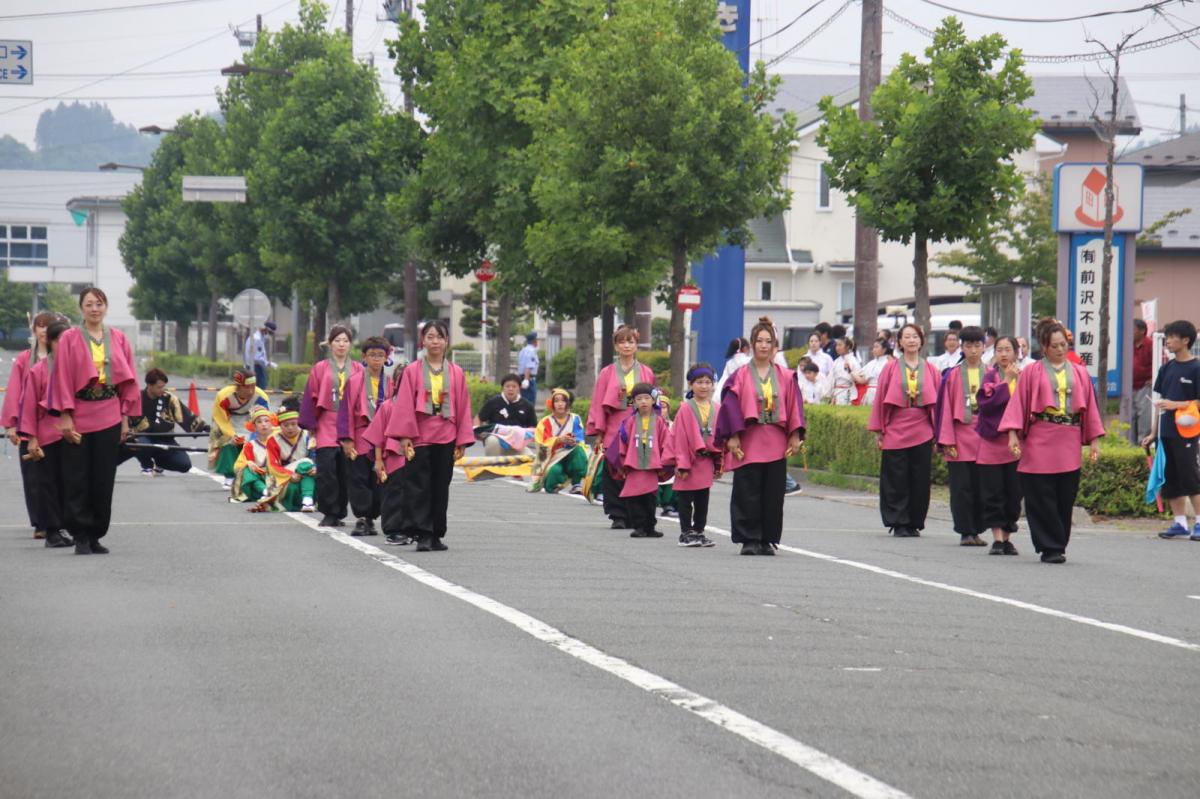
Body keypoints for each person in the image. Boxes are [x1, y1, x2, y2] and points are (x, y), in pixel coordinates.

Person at [1001, 318, 1103, 564]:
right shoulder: (1032, 372)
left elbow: (1090, 408)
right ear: (1044, 347)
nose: (1060, 349)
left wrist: (1095, 440)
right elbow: (1018, 405)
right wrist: (1013, 435)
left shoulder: (1079, 372)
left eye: (1063, 344)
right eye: (1054, 345)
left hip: (1068, 437)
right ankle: (1049, 546)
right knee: (1040, 493)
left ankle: (1059, 541)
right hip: (1040, 437)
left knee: (1064, 494)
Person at [49, 287, 140, 555]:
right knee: (77, 477)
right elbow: (62, 377)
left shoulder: (119, 339)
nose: (94, 309)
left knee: (103, 477)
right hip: (79, 414)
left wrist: (125, 420)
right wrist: (65, 415)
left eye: (99, 304)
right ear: (81, 309)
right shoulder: (69, 339)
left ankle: (96, 533)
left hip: (110, 413)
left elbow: (129, 381)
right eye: (89, 304)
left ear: (106, 307)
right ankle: (80, 534)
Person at [715, 316, 804, 556]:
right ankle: (748, 538)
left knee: (773, 493)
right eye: (759, 341)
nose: (764, 345)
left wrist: (795, 435)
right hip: (749, 441)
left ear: (775, 346)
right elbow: (730, 405)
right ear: (752, 345)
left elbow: (795, 405)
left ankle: (767, 538)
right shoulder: (741, 375)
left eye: (768, 341)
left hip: (775, 440)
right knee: (747, 490)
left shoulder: (786, 376)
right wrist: (732, 436)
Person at [386, 320, 475, 552]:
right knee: (418, 486)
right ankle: (422, 533)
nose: (435, 341)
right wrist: (404, 436)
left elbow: (463, 405)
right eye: (430, 337)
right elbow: (404, 403)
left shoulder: (456, 372)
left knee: (440, 486)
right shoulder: (413, 370)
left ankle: (435, 532)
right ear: (422, 341)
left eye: (440, 337)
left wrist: (462, 440)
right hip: (419, 436)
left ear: (447, 341)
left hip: (446, 434)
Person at [868, 323, 941, 538]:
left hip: (922, 428)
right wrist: (879, 430)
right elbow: (881, 399)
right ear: (899, 342)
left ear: (921, 340)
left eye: (915, 337)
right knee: (895, 477)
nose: (911, 340)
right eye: (907, 337)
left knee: (919, 478)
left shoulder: (931, 370)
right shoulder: (890, 368)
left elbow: (937, 405)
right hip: (896, 427)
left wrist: (938, 434)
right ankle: (898, 521)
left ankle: (914, 521)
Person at [586, 325, 656, 529]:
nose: (627, 345)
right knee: (614, 470)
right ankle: (617, 514)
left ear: (636, 345)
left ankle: (637, 514)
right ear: (616, 346)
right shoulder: (607, 373)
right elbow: (598, 402)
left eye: (630, 341)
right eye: (622, 342)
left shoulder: (646, 372)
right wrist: (598, 432)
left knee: (637, 469)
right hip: (614, 426)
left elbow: (655, 401)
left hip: (640, 426)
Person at [17, 319, 75, 549]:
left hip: (72, 434)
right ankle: (51, 530)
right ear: (50, 342)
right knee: (48, 484)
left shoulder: (79, 369)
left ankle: (62, 526)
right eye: (59, 340)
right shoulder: (38, 370)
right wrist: (30, 437)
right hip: (47, 433)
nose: (64, 344)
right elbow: (28, 404)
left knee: (68, 483)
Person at [299, 324, 364, 528]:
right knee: (327, 469)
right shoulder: (320, 368)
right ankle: (329, 511)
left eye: (345, 341)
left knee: (346, 470)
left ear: (350, 344)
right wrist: (311, 425)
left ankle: (340, 511)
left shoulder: (358, 368)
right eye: (337, 340)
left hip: (350, 425)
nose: (341, 345)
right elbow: (311, 396)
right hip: (327, 421)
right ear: (330, 343)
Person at [1142, 320, 1200, 540]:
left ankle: (1199, 522)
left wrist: (1178, 405)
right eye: (1167, 337)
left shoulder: (1196, 368)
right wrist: (1152, 432)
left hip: (1187, 431)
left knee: (1191, 476)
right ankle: (1179, 523)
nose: (1169, 341)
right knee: (1170, 477)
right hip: (1165, 431)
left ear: (1186, 340)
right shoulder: (1166, 368)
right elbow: (1160, 403)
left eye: (1173, 337)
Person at [3, 310, 57, 539]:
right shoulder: (25, 359)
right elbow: (15, 391)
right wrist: (11, 425)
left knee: (57, 477)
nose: (44, 330)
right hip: (29, 426)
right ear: (34, 330)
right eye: (40, 325)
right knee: (33, 478)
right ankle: (41, 522)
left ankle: (59, 519)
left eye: (48, 325)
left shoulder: (64, 358)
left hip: (56, 428)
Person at [935, 326, 987, 546]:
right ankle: (965, 530)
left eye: (977, 345)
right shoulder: (952, 375)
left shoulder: (993, 373)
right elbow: (944, 409)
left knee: (982, 486)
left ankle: (978, 528)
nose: (973, 350)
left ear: (984, 347)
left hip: (985, 437)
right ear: (961, 347)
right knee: (961, 487)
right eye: (968, 346)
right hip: (960, 435)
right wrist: (946, 440)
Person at [337, 337, 391, 536]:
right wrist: (347, 438)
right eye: (372, 355)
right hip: (360, 436)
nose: (376, 360)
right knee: (357, 478)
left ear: (386, 357)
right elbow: (346, 411)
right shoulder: (355, 380)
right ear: (364, 357)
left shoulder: (391, 381)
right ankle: (360, 517)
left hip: (383, 439)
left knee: (378, 480)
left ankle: (371, 517)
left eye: (380, 355)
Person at [975, 336, 1023, 556]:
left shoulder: (1025, 377)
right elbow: (987, 405)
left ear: (1016, 352)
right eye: (1000, 350)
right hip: (992, 444)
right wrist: (1005, 382)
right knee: (993, 492)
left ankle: (1007, 537)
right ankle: (997, 539)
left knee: (1013, 494)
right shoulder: (990, 376)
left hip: (1016, 446)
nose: (1004, 354)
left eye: (1008, 349)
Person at [606, 383, 672, 539]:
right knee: (634, 498)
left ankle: (650, 526)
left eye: (647, 398)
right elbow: (621, 442)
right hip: (634, 466)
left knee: (651, 498)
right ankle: (639, 526)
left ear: (653, 400)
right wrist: (621, 463)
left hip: (651, 467)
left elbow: (666, 443)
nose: (643, 402)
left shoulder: (660, 422)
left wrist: (666, 462)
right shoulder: (629, 422)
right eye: (639, 398)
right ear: (633, 402)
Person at [669, 364, 721, 548]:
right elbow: (680, 438)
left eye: (708, 382)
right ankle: (686, 532)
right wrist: (682, 463)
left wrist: (719, 461)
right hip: (689, 461)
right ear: (691, 385)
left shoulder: (717, 407)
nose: (704, 386)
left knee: (702, 499)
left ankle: (699, 531)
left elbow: (721, 436)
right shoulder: (686, 408)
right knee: (685, 499)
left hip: (706, 461)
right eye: (699, 382)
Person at [121, 368, 210, 474]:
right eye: (159, 387)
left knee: (185, 465)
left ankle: (160, 462)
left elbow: (184, 414)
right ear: (149, 385)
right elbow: (125, 415)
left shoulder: (169, 398)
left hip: (166, 440)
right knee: (139, 443)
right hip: (143, 439)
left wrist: (204, 427)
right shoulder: (137, 398)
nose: (163, 389)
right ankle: (146, 465)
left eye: (163, 386)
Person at [208, 370, 270, 488]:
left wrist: (253, 436)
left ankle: (254, 473)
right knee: (227, 441)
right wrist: (232, 434)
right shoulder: (223, 395)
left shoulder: (261, 396)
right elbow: (221, 419)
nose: (251, 391)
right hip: (229, 422)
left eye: (253, 386)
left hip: (250, 421)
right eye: (247, 387)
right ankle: (229, 476)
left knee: (254, 444)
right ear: (237, 387)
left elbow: (263, 418)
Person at [259, 400, 317, 513]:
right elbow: (272, 466)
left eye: (294, 424)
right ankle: (308, 500)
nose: (290, 428)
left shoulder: (307, 435)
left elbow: (315, 455)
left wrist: (316, 468)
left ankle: (307, 500)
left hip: (307, 473)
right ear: (280, 425)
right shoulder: (273, 440)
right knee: (305, 463)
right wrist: (290, 475)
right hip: (284, 476)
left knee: (307, 464)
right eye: (286, 425)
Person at [531, 387, 588, 494]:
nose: (560, 404)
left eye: (563, 400)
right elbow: (541, 443)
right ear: (552, 404)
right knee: (553, 479)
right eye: (556, 401)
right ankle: (552, 480)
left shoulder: (575, 418)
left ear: (568, 403)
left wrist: (573, 441)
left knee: (579, 451)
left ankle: (576, 483)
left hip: (570, 453)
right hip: (553, 457)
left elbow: (580, 437)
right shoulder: (545, 421)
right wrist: (559, 440)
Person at [476, 373, 538, 455]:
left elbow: (533, 427)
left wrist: (527, 437)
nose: (510, 389)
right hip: (496, 439)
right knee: (492, 442)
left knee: (531, 458)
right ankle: (492, 467)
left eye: (514, 386)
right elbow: (479, 418)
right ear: (502, 388)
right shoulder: (493, 402)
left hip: (517, 444)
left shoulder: (527, 405)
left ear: (519, 388)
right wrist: (478, 433)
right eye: (507, 386)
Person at [231, 406, 276, 504]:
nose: (264, 424)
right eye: (259, 422)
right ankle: (265, 491)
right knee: (247, 470)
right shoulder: (250, 445)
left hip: (276, 477)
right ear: (254, 427)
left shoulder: (279, 440)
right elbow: (236, 467)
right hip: (259, 479)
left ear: (272, 423)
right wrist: (248, 463)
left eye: (266, 421)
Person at [1130, 319, 1154, 444]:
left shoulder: (1151, 344)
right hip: (1129, 387)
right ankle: (1129, 448)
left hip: (1144, 386)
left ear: (1142, 331)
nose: (1129, 332)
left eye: (1132, 329)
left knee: (1144, 418)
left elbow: (1161, 362)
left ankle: (1143, 447)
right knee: (1129, 418)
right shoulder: (1127, 344)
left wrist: (1153, 378)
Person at [830, 336, 866, 406]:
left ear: (847, 347)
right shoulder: (836, 361)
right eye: (837, 345)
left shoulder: (853, 361)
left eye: (840, 345)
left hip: (848, 391)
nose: (837, 347)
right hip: (836, 391)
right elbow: (832, 379)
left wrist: (850, 371)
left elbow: (858, 378)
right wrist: (831, 394)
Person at [243, 321, 277, 390]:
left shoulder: (256, 337)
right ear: (265, 329)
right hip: (256, 368)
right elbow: (257, 358)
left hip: (251, 366)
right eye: (269, 332)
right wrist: (269, 363)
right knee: (260, 390)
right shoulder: (257, 339)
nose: (268, 334)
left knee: (253, 391)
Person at [861, 338, 892, 406]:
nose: (874, 349)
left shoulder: (889, 362)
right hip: (870, 392)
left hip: (881, 392)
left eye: (877, 347)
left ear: (884, 349)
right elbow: (862, 376)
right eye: (873, 347)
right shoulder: (871, 363)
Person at [518, 331, 540, 405]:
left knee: (523, 401)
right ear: (535, 341)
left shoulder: (523, 350)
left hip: (523, 378)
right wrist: (526, 379)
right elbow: (529, 366)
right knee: (529, 403)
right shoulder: (531, 351)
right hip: (528, 379)